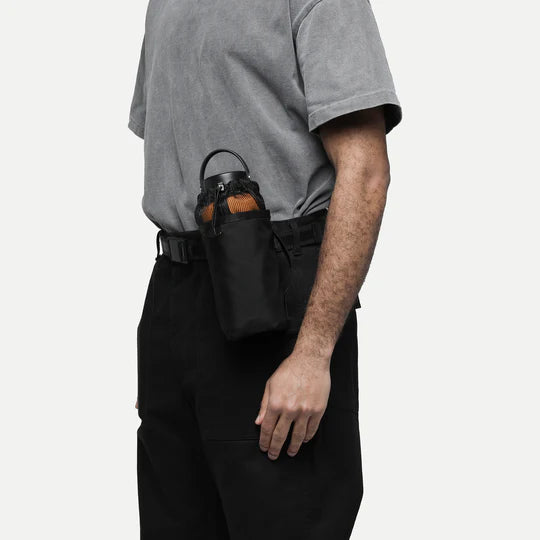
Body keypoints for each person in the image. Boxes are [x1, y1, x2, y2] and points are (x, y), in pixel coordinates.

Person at [129, 0, 401, 538]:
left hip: (275, 297)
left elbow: (366, 171)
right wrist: (170, 351)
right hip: (177, 290)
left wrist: (314, 352)